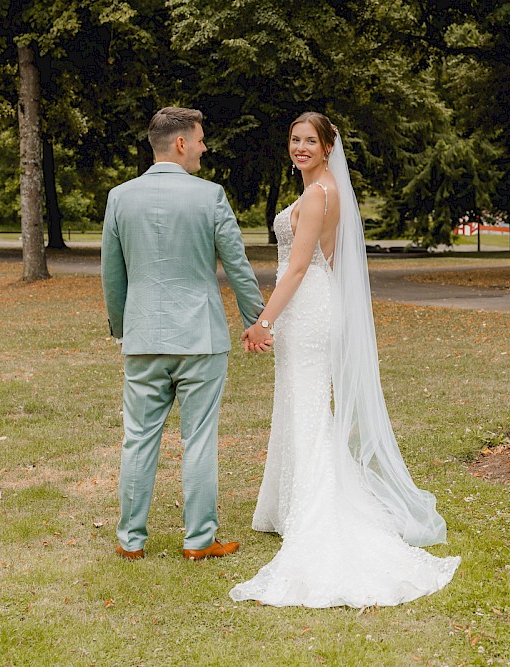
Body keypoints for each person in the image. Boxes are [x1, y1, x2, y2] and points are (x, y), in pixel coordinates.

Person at [230, 112, 459, 608]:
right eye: (294, 139)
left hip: (306, 307)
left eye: (310, 140)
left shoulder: (317, 195)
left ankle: (316, 513)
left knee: (308, 409)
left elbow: (294, 269)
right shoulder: (330, 190)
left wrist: (263, 322)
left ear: (329, 146)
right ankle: (288, 506)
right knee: (301, 405)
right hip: (317, 303)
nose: (300, 147)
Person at [101, 107, 272, 562]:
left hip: (142, 339)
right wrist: (256, 321)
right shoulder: (210, 196)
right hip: (200, 339)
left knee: (138, 438)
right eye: (199, 139)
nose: (203, 147)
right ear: (180, 143)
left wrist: (123, 328)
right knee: (199, 438)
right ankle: (198, 541)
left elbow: (112, 275)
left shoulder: (120, 197)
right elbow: (236, 266)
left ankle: (130, 541)